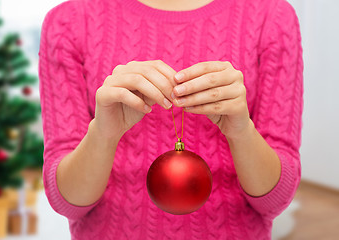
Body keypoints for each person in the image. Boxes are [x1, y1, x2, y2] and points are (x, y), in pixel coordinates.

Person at [37, 0, 303, 239]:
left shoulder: (272, 16)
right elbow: (67, 202)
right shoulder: (68, 22)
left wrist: (242, 132)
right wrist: (102, 135)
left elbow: (275, 200)